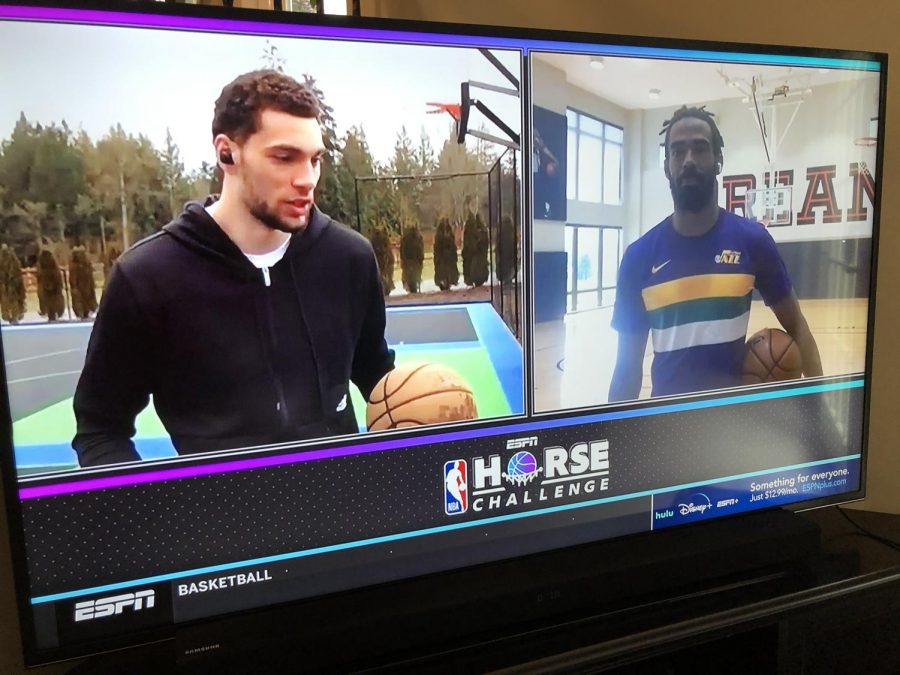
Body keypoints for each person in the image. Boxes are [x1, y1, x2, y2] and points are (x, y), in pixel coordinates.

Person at [73, 70, 395, 467]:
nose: (307, 179)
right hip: (218, 522)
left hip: (344, 513)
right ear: (227, 153)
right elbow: (100, 429)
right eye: (284, 157)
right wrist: (155, 515)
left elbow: (377, 373)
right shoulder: (147, 278)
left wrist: (430, 417)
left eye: (315, 160)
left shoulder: (349, 258)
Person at [609, 105, 822, 402]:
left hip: (734, 426)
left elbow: (798, 328)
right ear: (667, 165)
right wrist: (614, 437)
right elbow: (627, 369)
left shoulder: (753, 241)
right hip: (667, 425)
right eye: (677, 151)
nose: (688, 160)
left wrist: (819, 413)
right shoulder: (639, 257)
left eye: (700, 148)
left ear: (718, 160)